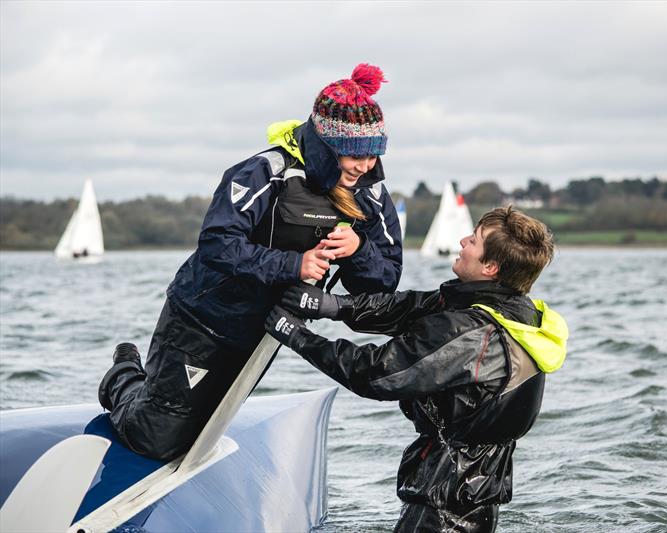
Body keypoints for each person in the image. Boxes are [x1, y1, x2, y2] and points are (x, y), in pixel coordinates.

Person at [98, 64, 403, 461]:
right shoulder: (264, 171)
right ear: (326, 145)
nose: (365, 166)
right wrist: (294, 266)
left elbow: (385, 281)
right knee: (154, 439)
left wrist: (358, 248)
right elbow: (216, 243)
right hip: (202, 319)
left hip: (261, 335)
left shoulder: (369, 193)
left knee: (202, 431)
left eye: (373, 154)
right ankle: (122, 375)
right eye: (355, 155)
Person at [267, 206, 568, 533]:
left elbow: (377, 373)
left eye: (475, 240)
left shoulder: (471, 333)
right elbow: (411, 309)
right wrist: (335, 306)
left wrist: (297, 337)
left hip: (445, 509)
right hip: (474, 495)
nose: (463, 240)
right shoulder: (515, 311)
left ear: (490, 267)